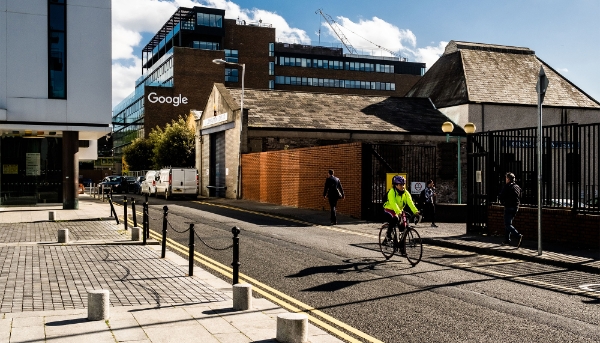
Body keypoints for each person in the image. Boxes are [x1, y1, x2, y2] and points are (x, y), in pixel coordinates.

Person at [383, 175, 420, 241]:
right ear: (396, 185)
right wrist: (398, 212)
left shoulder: (406, 193)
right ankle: (388, 234)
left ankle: (401, 244)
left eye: (403, 184)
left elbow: (410, 203)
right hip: (389, 209)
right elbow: (393, 203)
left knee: (404, 225)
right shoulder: (392, 192)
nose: (402, 186)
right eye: (400, 185)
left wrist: (416, 211)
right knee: (395, 218)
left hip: (399, 210)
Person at [498, 172, 523, 248]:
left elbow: (501, 196)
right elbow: (521, 196)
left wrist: (503, 202)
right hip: (516, 207)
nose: (505, 180)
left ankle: (518, 235)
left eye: (506, 178)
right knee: (509, 223)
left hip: (509, 207)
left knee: (507, 224)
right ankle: (507, 240)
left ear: (508, 179)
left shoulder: (507, 186)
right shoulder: (517, 186)